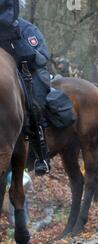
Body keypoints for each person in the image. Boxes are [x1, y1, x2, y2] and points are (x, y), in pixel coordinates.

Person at [0, 0, 51, 175]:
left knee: (36, 105)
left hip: (26, 71)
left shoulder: (26, 29)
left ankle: (40, 154)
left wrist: (24, 50)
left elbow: (42, 57)